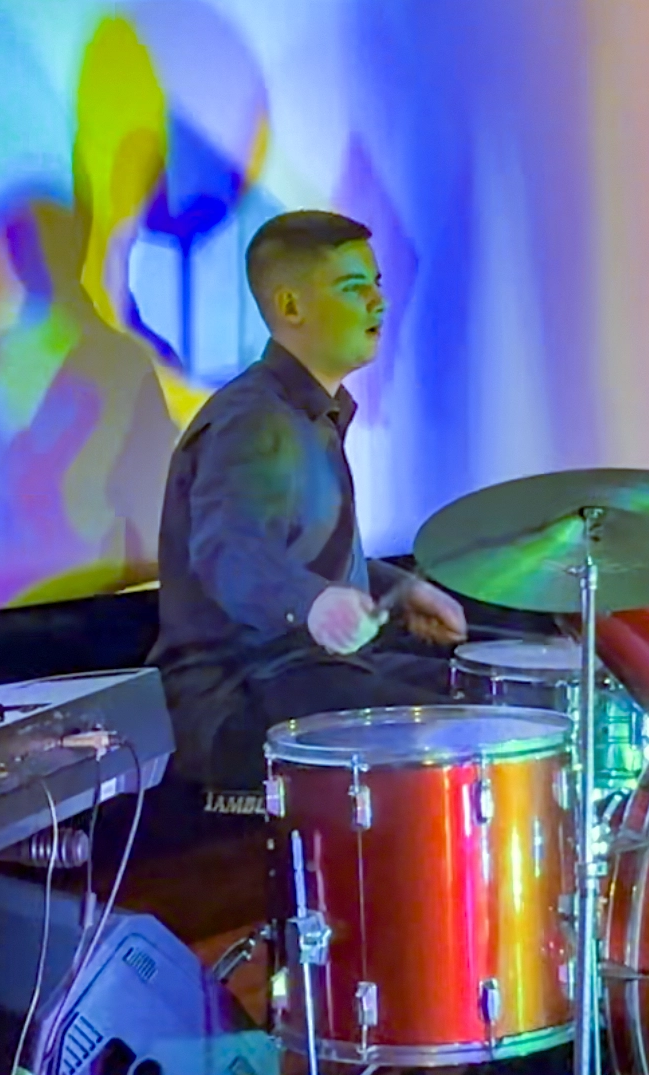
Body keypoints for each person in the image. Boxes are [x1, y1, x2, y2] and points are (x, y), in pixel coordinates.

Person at [149, 209, 467, 789]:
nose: (378, 302)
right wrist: (313, 602)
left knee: (483, 691)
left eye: (377, 283)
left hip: (310, 671)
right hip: (238, 693)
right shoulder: (252, 421)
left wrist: (399, 592)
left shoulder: (309, 417)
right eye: (353, 286)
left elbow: (293, 553)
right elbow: (228, 552)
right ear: (291, 306)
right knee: (459, 735)